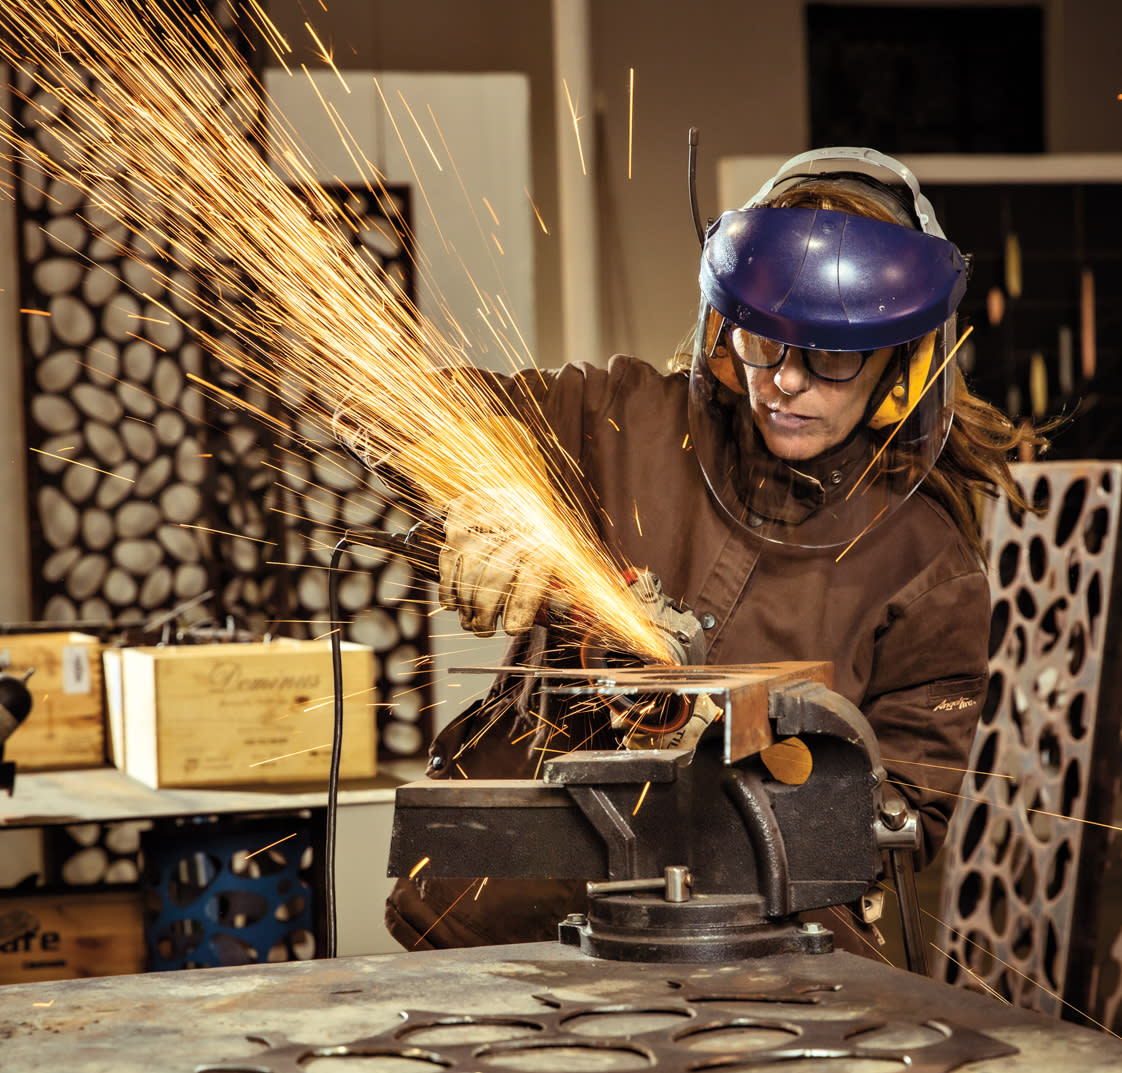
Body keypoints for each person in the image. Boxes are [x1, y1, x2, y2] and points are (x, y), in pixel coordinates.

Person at [385, 146, 1039, 955]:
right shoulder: (622, 417)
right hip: (503, 938)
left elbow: (900, 818)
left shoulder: (925, 567)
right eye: (764, 342)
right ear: (727, 330)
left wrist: (749, 770)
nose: (784, 383)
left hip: (755, 970)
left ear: (901, 366)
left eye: (830, 356)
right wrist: (486, 483)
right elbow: (416, 406)